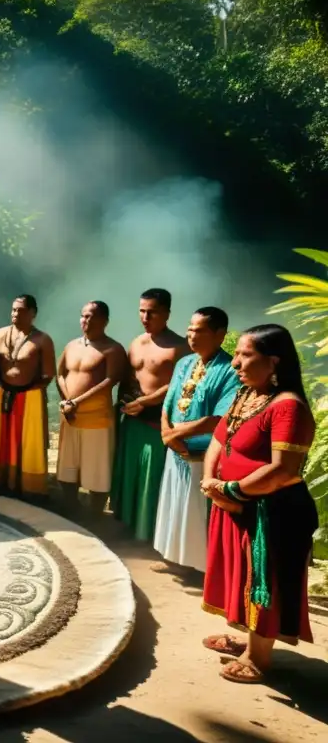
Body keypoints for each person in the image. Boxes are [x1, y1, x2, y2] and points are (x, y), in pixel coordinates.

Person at [199, 324, 319, 684]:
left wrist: (230, 489)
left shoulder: (288, 408)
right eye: (235, 355)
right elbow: (219, 442)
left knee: (264, 580)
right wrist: (212, 483)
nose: (235, 362)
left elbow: (282, 470)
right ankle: (246, 636)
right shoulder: (246, 394)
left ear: (273, 361)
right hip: (236, 502)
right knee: (241, 576)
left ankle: (259, 656)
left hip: (273, 512)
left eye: (244, 355)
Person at [152, 308, 240, 574]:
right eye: (190, 328)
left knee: (195, 512)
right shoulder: (184, 363)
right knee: (174, 504)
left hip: (202, 453)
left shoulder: (230, 371)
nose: (191, 335)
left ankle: (200, 568)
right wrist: (167, 434)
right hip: (175, 449)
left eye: (199, 330)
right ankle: (174, 558)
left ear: (220, 334)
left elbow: (220, 418)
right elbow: (168, 403)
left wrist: (177, 434)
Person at [111, 288, 190, 540]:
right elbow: (127, 378)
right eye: (142, 311)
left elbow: (181, 383)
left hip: (158, 418)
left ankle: (150, 531)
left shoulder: (180, 347)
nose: (145, 317)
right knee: (129, 470)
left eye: (152, 312)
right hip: (132, 415)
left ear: (166, 313)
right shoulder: (136, 342)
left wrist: (148, 401)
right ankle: (126, 521)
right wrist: (122, 406)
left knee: (151, 473)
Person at [56, 301, 126, 513]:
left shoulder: (112, 349)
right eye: (84, 316)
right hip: (70, 416)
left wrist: (76, 402)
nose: (87, 321)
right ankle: (70, 505)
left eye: (92, 317)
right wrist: (68, 401)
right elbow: (59, 374)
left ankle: (95, 512)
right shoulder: (71, 346)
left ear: (105, 321)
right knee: (68, 467)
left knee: (97, 469)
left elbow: (110, 381)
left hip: (96, 418)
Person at [0, 294, 56, 500]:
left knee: (28, 442)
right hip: (3, 394)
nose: (16, 313)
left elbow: (48, 374)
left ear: (33, 313)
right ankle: (0, 482)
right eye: (14, 309)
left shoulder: (42, 340)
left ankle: (29, 487)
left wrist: (28, 390)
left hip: (30, 397)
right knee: (2, 440)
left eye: (22, 310)